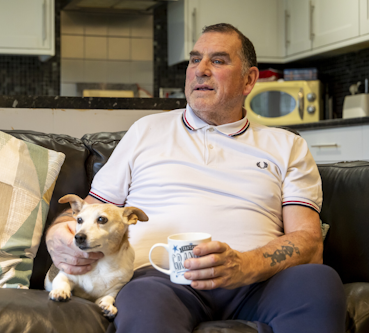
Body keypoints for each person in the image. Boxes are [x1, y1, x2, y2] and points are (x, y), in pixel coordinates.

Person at [46, 23, 346, 333]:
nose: (200, 70)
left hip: (259, 281)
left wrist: (245, 266)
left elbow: (309, 243)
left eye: (217, 60)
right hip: (160, 279)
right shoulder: (146, 130)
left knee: (318, 281)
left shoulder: (287, 145)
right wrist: (57, 235)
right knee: (142, 298)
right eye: (194, 59)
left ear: (249, 79)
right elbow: (91, 210)